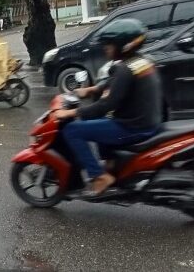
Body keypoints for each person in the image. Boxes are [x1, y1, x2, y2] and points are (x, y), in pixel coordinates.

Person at [55, 19, 162, 195]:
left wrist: (70, 112)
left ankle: (99, 177)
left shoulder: (124, 69)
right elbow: (116, 84)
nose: (105, 49)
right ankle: (111, 163)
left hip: (133, 127)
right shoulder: (142, 62)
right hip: (147, 121)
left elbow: (106, 104)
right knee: (96, 121)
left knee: (73, 130)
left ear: (123, 46)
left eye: (109, 45)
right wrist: (91, 89)